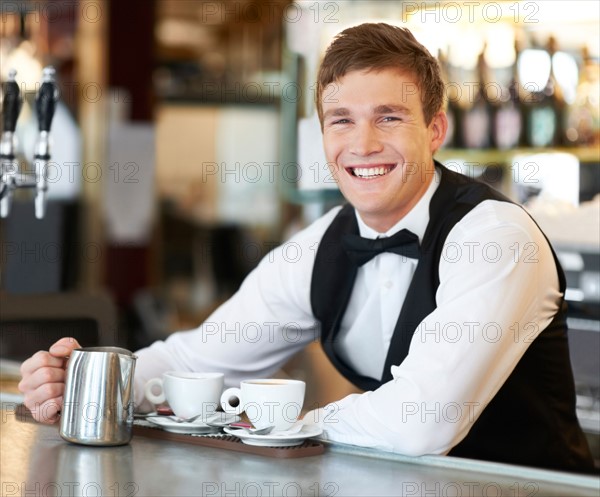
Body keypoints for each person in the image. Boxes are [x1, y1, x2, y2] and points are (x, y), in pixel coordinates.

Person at [18, 23, 594, 473]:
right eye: (340, 120)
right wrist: (91, 382)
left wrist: (286, 426)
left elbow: (422, 423)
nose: (362, 143)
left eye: (388, 118)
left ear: (436, 130)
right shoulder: (319, 246)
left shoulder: (495, 239)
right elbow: (200, 358)